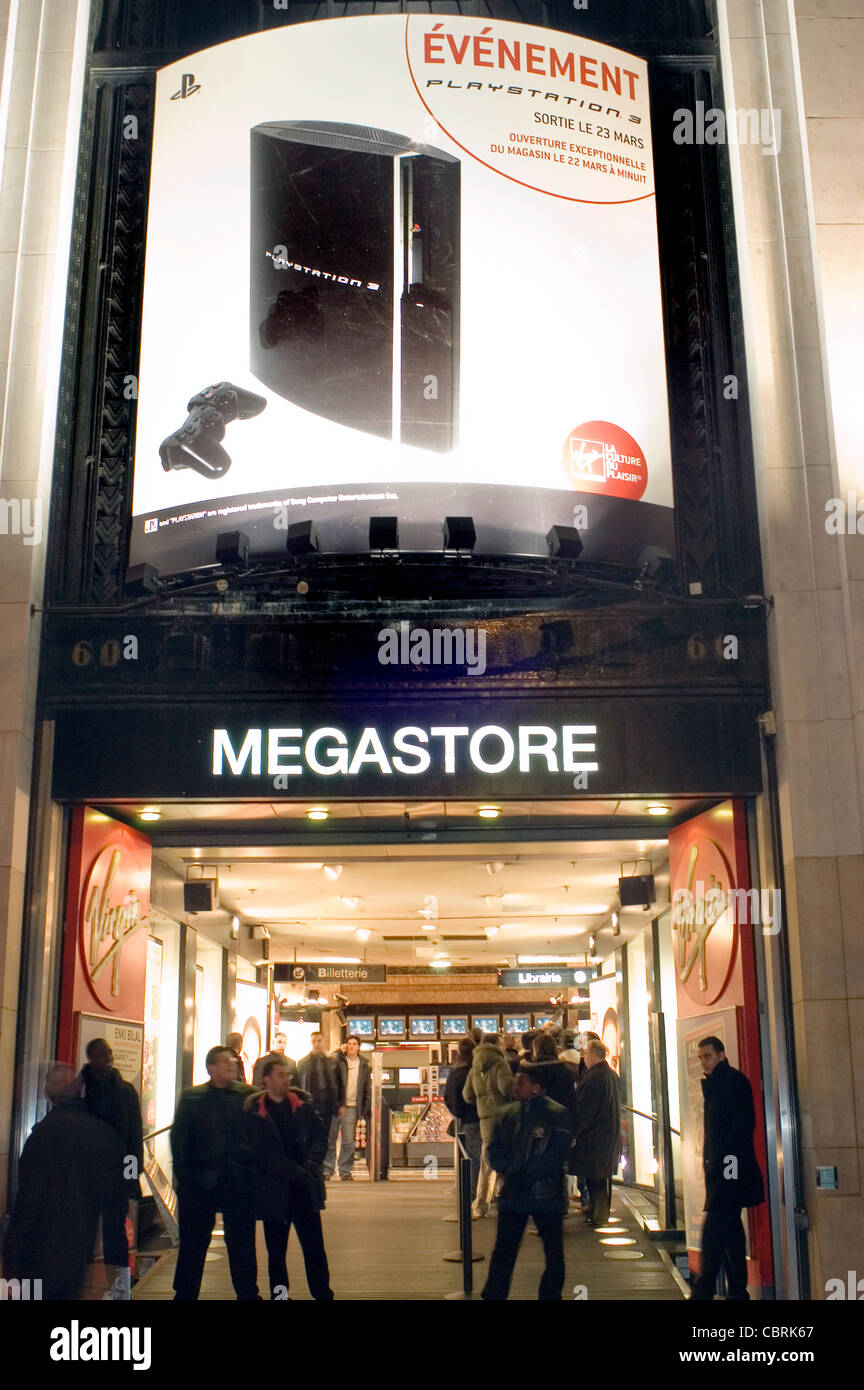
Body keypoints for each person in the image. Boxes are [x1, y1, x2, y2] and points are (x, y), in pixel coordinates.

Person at [4, 1062, 126, 1300]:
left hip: (38, 1253)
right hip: (79, 1251)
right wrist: (118, 1275)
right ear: (80, 1091)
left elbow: (26, 1203)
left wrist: (12, 1260)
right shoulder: (104, 1135)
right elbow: (114, 1208)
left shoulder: (39, 1136)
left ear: (48, 1095)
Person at [170, 1045, 259, 1301]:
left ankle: (247, 1292)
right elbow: (179, 1139)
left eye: (232, 1061)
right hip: (199, 1182)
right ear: (210, 1068)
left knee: (242, 1243)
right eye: (224, 1062)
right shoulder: (192, 1097)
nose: (230, 1065)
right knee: (193, 1243)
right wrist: (184, 1176)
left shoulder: (247, 1095)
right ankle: (185, 1293)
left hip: (238, 1181)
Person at [243, 1057, 334, 1300]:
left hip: (305, 1190)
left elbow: (320, 1136)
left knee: (314, 1248)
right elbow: (262, 1153)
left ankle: (322, 1294)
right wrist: (294, 1170)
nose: (286, 1080)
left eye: (287, 1075)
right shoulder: (255, 1114)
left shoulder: (303, 1106)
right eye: (281, 1075)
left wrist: (312, 1164)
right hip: (275, 1191)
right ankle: (280, 1296)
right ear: (267, 1079)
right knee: (276, 1252)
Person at [480, 1066, 572, 1301]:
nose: (515, 1084)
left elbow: (556, 1153)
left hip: (534, 1192)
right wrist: (517, 1170)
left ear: (536, 1087)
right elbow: (494, 1148)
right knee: (510, 1252)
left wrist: (515, 1171)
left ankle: (537, 1295)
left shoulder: (555, 1113)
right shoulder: (510, 1113)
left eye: (521, 1081)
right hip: (539, 1192)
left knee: (544, 1253)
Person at [690, 1036, 765, 1302]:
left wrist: (727, 1171)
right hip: (723, 1170)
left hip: (728, 1171)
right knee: (731, 1231)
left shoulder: (732, 1082)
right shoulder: (718, 1083)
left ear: (721, 1055)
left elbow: (741, 1129)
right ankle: (737, 1292)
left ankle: (704, 1291)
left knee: (713, 1232)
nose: (703, 1062)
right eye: (700, 1058)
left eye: (707, 1056)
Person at [80, 1037, 144, 1299]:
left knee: (114, 1233)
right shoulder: (82, 1090)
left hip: (114, 1173)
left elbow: (133, 1137)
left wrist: (131, 1175)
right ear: (91, 1057)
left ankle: (119, 1288)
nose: (106, 1058)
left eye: (107, 1053)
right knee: (85, 1229)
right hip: (89, 1171)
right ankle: (84, 1285)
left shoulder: (123, 1091)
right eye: (100, 1054)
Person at [463, 1033, 514, 1219]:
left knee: (487, 1167)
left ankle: (481, 1206)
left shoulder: (474, 1068)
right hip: (503, 1121)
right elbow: (507, 1088)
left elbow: (467, 1095)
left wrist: (482, 1100)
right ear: (496, 1045)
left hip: (485, 1123)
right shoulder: (500, 1064)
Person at [572, 1038, 621, 1226]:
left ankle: (599, 1215)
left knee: (596, 1178)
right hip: (604, 1136)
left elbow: (586, 1110)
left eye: (585, 1053)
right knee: (598, 1178)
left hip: (594, 1137)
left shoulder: (594, 1077)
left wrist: (576, 1133)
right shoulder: (608, 1075)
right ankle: (597, 1212)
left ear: (593, 1055)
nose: (583, 1057)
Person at [326, 1036, 371, 1181]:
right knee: (330, 1139)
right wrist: (338, 1051)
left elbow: (366, 1088)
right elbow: (329, 1063)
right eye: (349, 1044)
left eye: (354, 1044)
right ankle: (327, 1169)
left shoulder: (363, 1064)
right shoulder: (337, 1060)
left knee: (348, 1142)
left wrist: (364, 1109)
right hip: (336, 1105)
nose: (351, 1046)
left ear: (359, 1047)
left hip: (352, 1107)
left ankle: (345, 1171)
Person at [443, 1037, 482, 1202]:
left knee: (469, 1158)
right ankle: (481, 1193)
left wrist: (458, 1114)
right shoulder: (479, 1071)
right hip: (483, 1118)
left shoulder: (456, 1073)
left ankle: (470, 1194)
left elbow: (448, 1097)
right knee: (480, 1157)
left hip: (465, 1121)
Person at [297, 1032, 345, 1133]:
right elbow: (298, 1086)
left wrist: (341, 1104)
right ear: (311, 1042)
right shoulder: (302, 1063)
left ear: (323, 1042)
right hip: (309, 1105)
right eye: (314, 1041)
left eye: (319, 1041)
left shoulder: (332, 1062)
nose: (316, 1044)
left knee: (325, 1136)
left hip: (327, 1105)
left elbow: (340, 1084)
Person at [528, 1033, 579, 1127]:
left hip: (535, 1120)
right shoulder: (564, 1069)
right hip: (559, 1119)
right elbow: (571, 1099)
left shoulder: (530, 1068)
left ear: (536, 1049)